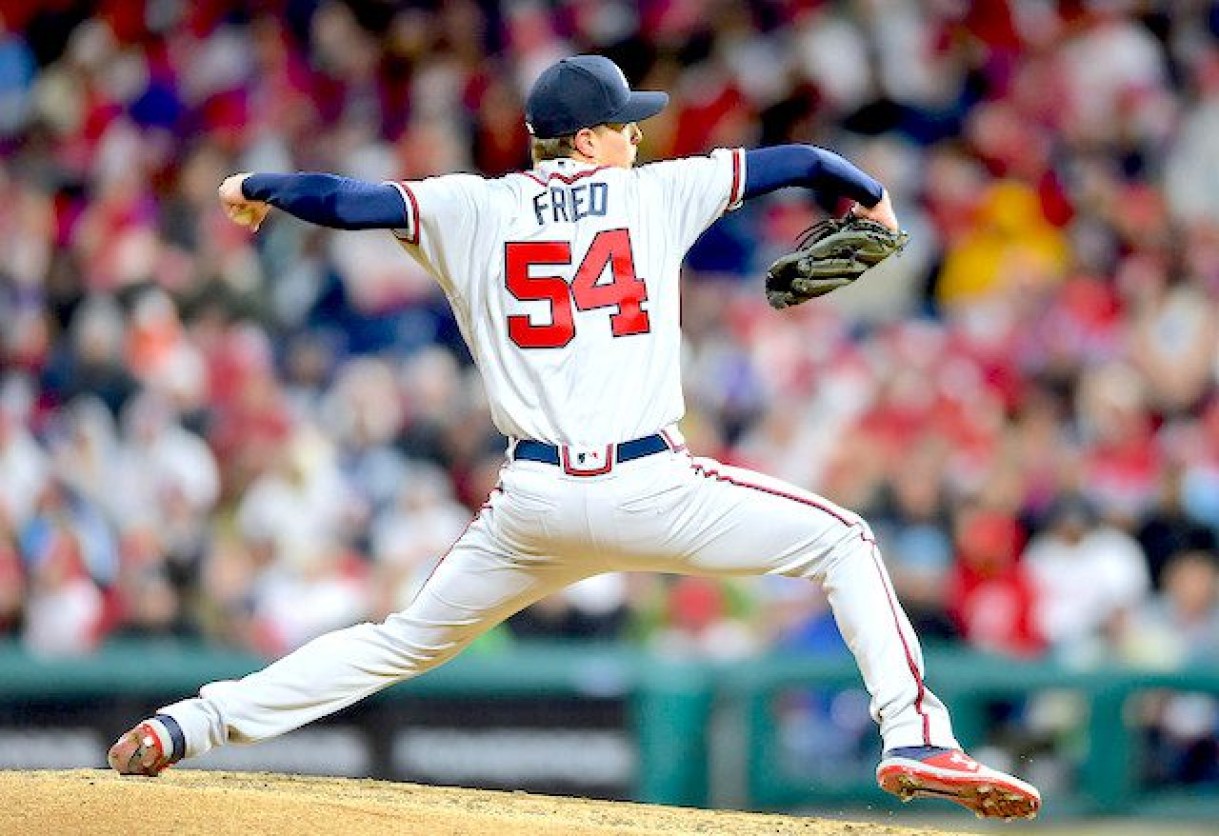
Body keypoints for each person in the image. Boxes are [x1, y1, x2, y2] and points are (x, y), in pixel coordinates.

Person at [108, 55, 1040, 820]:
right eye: (627, 123)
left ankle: (190, 723)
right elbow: (799, 160)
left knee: (397, 642)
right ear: (592, 137)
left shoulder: (473, 205)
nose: (639, 136)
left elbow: (347, 202)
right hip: (651, 490)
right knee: (842, 540)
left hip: (534, 507)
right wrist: (871, 197)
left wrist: (254, 185)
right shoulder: (659, 192)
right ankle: (918, 737)